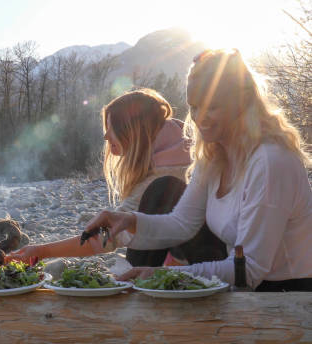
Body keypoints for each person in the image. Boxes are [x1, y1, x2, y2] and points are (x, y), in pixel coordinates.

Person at [84, 49, 312, 292]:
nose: (199, 117)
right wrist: (128, 220)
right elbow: (181, 223)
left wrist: (162, 274)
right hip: (244, 290)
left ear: (242, 103)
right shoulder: (215, 155)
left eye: (212, 106)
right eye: (194, 106)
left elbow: (251, 269)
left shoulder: (270, 161)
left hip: (287, 299)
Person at [6, 88, 226, 266]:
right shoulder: (173, 152)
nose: (105, 135)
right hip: (209, 263)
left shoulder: (168, 173)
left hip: (208, 269)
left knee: (149, 209)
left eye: (111, 126)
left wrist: (42, 251)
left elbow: (108, 237)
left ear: (132, 130)